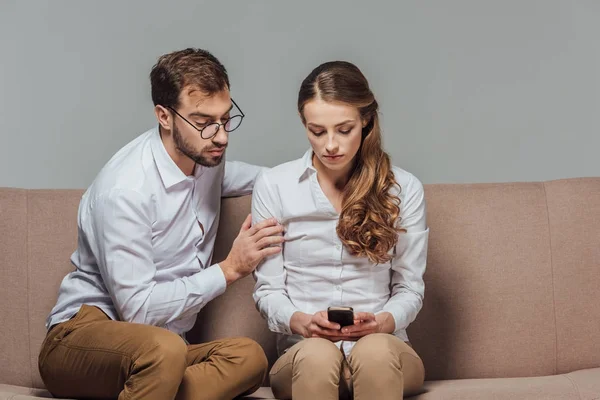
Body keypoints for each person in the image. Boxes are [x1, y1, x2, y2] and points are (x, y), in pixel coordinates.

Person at [38, 48, 284, 400]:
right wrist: (229, 270)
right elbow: (137, 311)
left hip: (162, 351)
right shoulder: (126, 190)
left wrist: (318, 176)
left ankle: (151, 389)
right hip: (80, 340)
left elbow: (257, 178)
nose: (221, 136)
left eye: (226, 119)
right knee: (164, 351)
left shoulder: (204, 155)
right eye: (203, 121)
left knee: (248, 358)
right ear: (164, 116)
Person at [252, 61, 428, 400]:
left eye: (344, 129)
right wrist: (301, 321)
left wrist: (384, 323)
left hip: (386, 352)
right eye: (317, 131)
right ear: (304, 124)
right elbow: (268, 290)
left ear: (366, 120)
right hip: (303, 355)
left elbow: (410, 287)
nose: (330, 145)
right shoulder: (274, 185)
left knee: (374, 351)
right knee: (318, 356)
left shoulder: (402, 189)